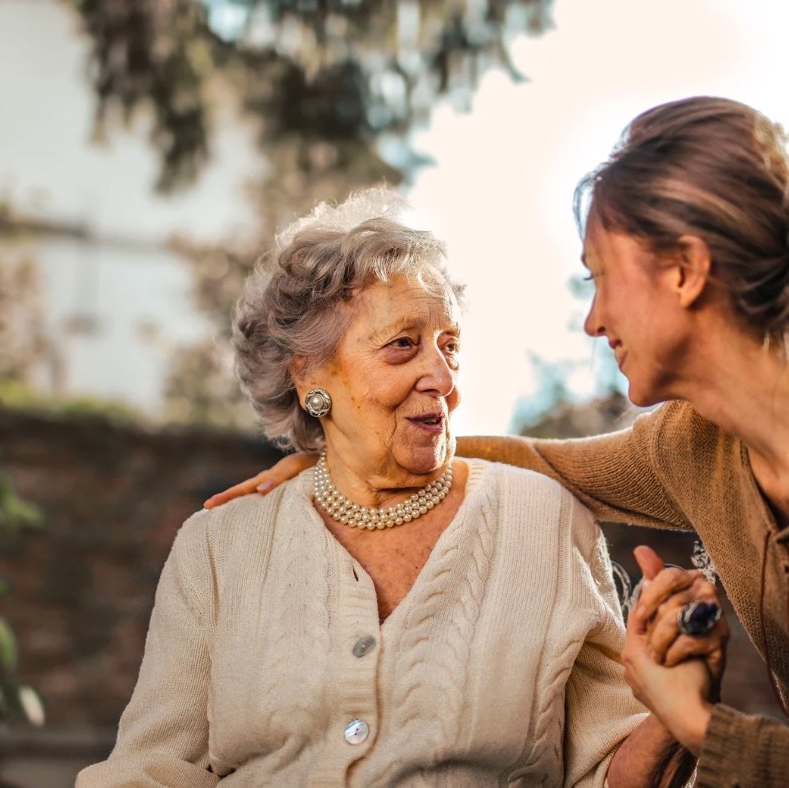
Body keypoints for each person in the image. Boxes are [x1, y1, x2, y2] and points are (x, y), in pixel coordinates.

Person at [208, 97, 789, 786]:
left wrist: (700, 728)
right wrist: (349, 445)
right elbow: (541, 461)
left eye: (601, 277)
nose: (594, 321)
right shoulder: (697, 445)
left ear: (684, 270)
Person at [78, 189, 702, 786]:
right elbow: (151, 769)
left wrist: (676, 716)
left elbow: (609, 771)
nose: (441, 376)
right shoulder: (218, 548)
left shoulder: (545, 522)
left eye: (449, 346)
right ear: (309, 376)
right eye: (403, 346)